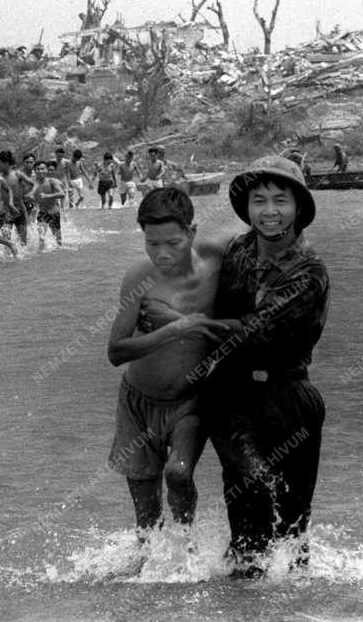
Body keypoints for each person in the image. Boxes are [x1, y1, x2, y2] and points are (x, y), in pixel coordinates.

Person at [147, 155, 329, 578]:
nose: (269, 211)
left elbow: (254, 330)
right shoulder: (237, 250)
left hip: (287, 399)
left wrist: (177, 323)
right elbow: (183, 267)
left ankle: (296, 606)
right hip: (231, 397)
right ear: (245, 207)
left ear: (299, 206)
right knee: (250, 512)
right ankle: (240, 599)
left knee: (294, 530)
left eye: (280, 200)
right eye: (259, 200)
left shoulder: (309, 270)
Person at [106, 188, 230, 537]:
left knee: (178, 473)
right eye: (151, 243)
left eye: (172, 243)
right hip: (137, 401)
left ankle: (186, 545)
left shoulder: (216, 262)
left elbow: (259, 223)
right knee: (145, 510)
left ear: (192, 231)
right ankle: (150, 567)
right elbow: (116, 351)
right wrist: (177, 327)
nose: (161, 254)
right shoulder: (139, 278)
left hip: (188, 400)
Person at [0, 150, 30, 246]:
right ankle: (9, 258)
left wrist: (28, 195)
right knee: (6, 238)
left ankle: (22, 259)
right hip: (6, 213)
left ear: (6, 163)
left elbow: (34, 184)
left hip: (20, 211)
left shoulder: (17, 175)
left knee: (23, 242)